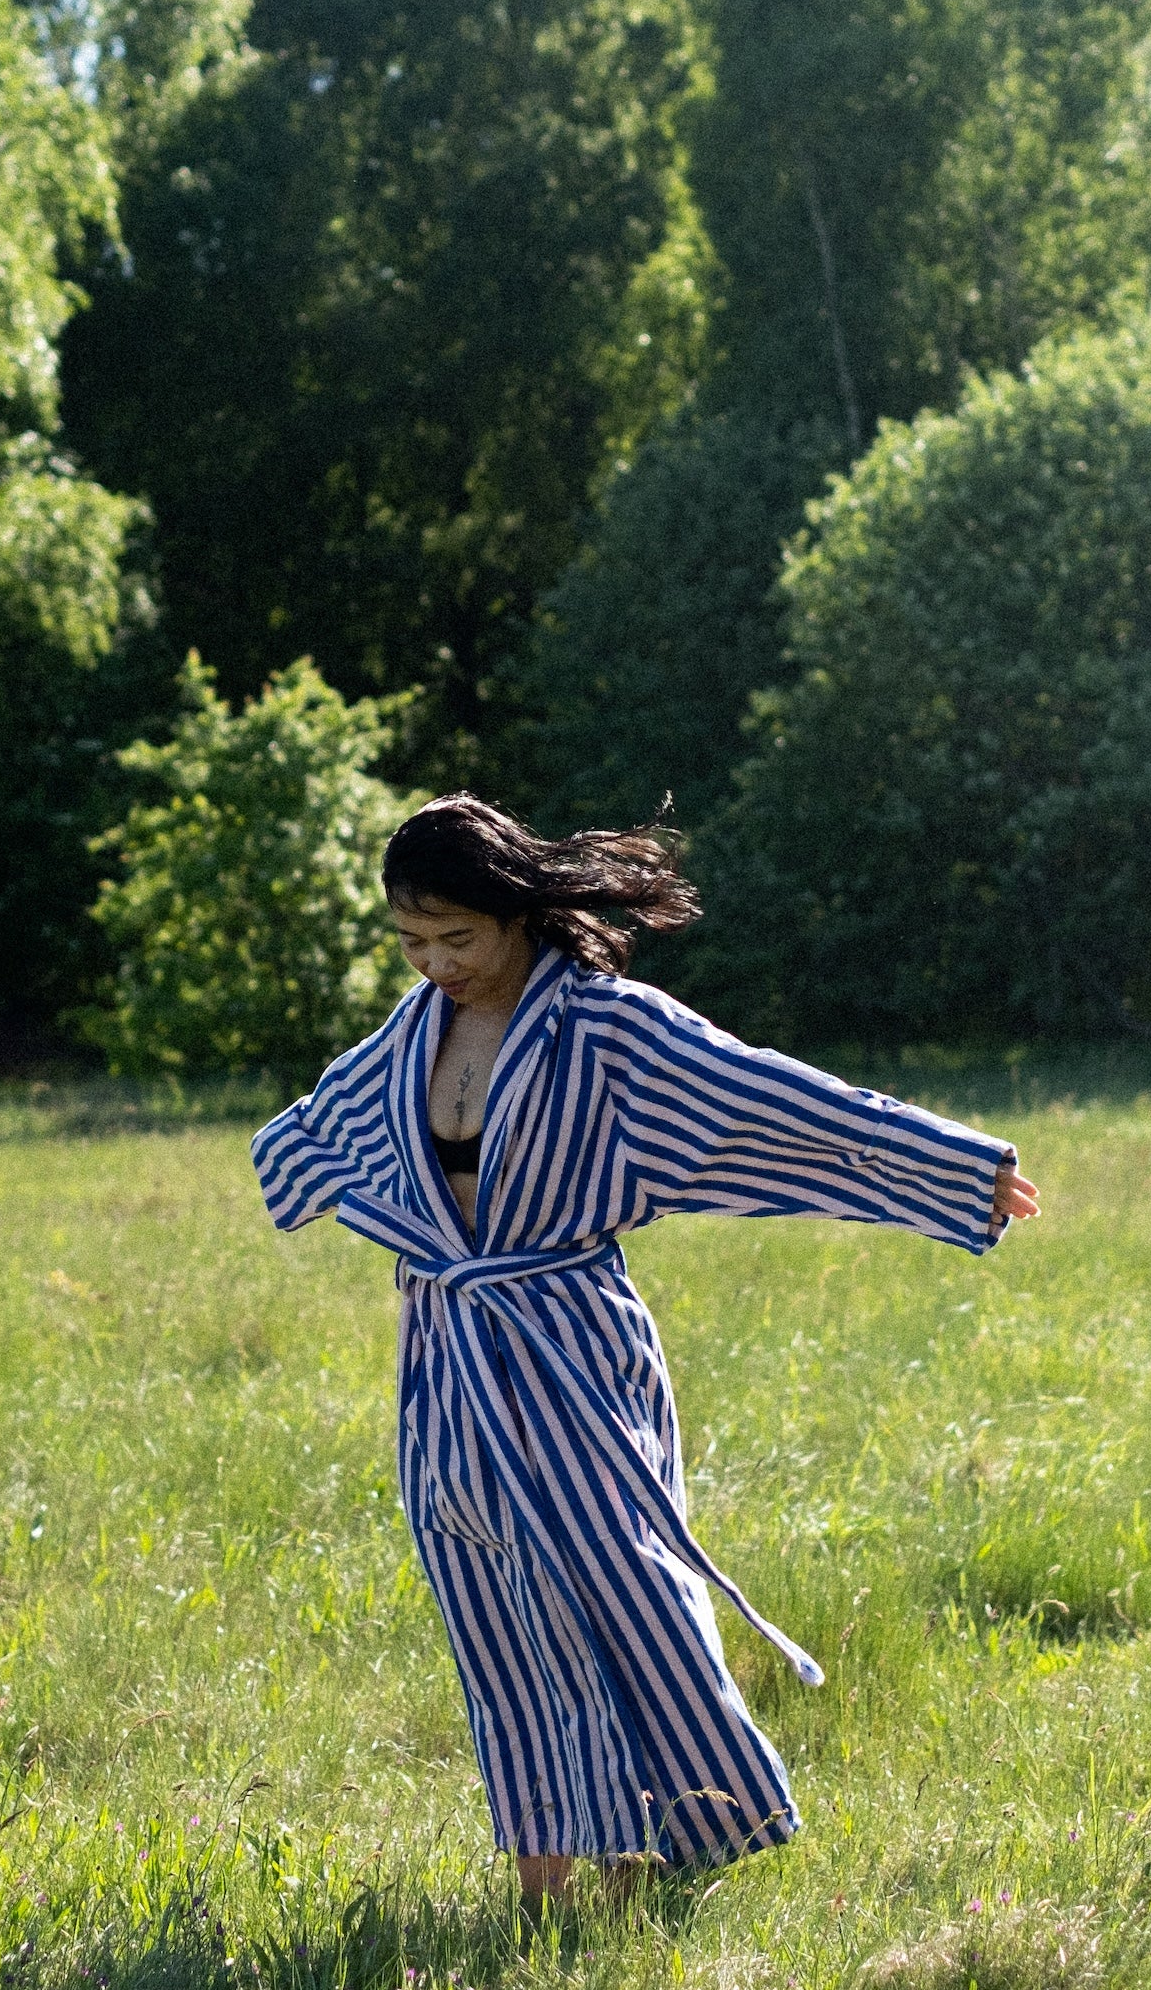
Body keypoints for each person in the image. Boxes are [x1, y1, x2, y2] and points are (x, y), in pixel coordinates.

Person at [251, 796, 1039, 1911]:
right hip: (449, 1356)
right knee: (494, 1609)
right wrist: (289, 1170)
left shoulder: (610, 1027)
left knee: (620, 1591)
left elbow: (773, 1097)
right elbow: (325, 1128)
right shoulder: (409, 1033)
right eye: (411, 943)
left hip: (570, 1340)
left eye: (457, 939)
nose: (435, 965)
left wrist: (949, 1163)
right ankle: (539, 1891)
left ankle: (648, 1861)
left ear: (517, 913)